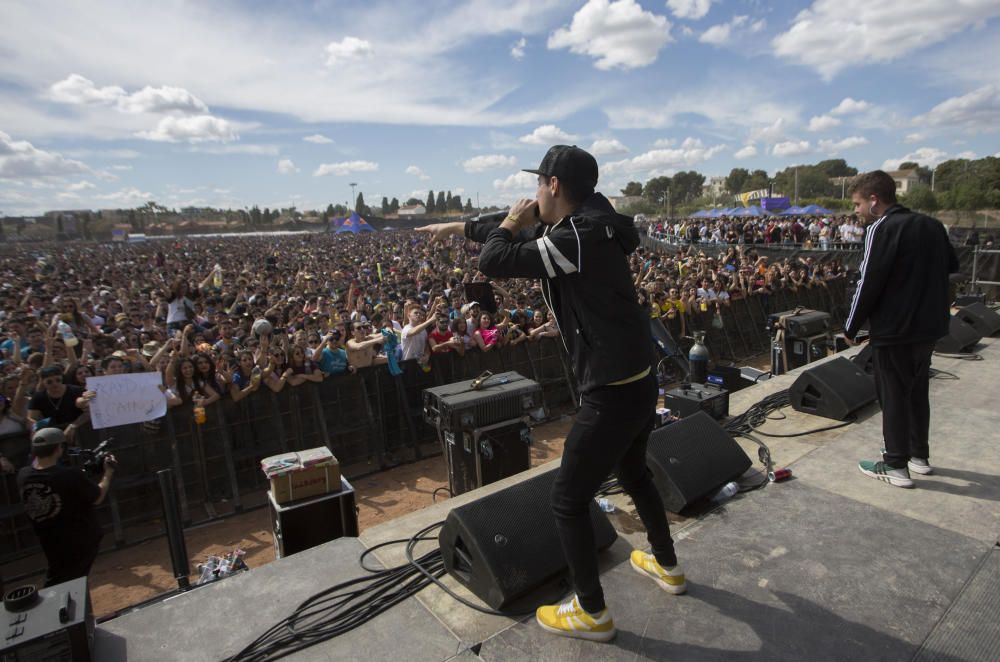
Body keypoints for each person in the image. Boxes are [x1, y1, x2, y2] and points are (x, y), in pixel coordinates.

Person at [417, 145, 683, 642]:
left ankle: (591, 611)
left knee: (567, 499)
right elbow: (515, 221)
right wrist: (455, 227)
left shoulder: (574, 238)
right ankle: (666, 564)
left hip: (610, 387)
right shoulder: (593, 221)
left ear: (553, 185)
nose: (532, 193)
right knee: (633, 471)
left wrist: (506, 226)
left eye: (539, 183)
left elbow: (495, 258)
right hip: (637, 377)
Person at [845, 170, 958, 488]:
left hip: (895, 329)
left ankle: (895, 464)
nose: (856, 211)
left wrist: (852, 326)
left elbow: (868, 282)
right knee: (917, 392)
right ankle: (918, 456)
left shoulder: (881, 227)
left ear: (874, 200)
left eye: (857, 204)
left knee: (892, 394)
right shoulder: (933, 225)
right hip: (930, 327)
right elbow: (952, 266)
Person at [17, 427, 116, 586]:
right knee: (72, 581)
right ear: (58, 449)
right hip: (79, 539)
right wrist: (108, 473)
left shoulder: (23, 474)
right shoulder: (68, 475)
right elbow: (98, 497)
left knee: (59, 577)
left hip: (49, 539)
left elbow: (55, 479)